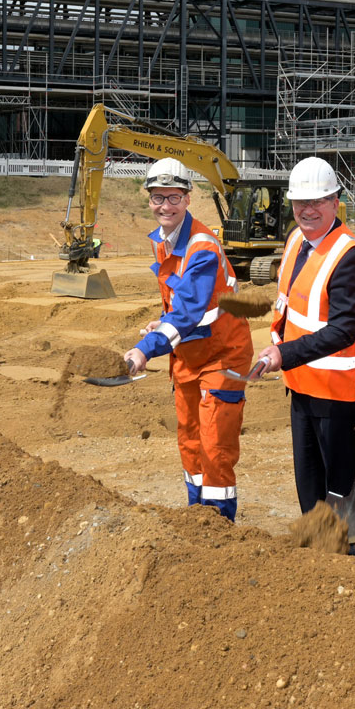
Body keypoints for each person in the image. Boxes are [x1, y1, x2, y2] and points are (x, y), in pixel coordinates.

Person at [253, 157, 355, 557]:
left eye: (317, 202)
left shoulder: (349, 256)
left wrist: (283, 353)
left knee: (342, 487)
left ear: (336, 201)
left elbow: (343, 330)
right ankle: (318, 565)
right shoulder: (297, 241)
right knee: (309, 487)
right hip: (303, 387)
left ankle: (350, 568)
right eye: (299, 203)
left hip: (340, 396)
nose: (307, 211)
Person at [123, 157, 255, 521]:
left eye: (174, 197)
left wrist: (144, 350)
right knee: (191, 441)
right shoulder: (163, 240)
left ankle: (220, 528)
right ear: (149, 199)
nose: (165, 206)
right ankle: (197, 519)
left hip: (223, 355)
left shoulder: (202, 247)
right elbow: (178, 306)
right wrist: (161, 325)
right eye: (158, 197)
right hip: (189, 353)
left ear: (187, 199)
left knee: (215, 448)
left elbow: (188, 312)